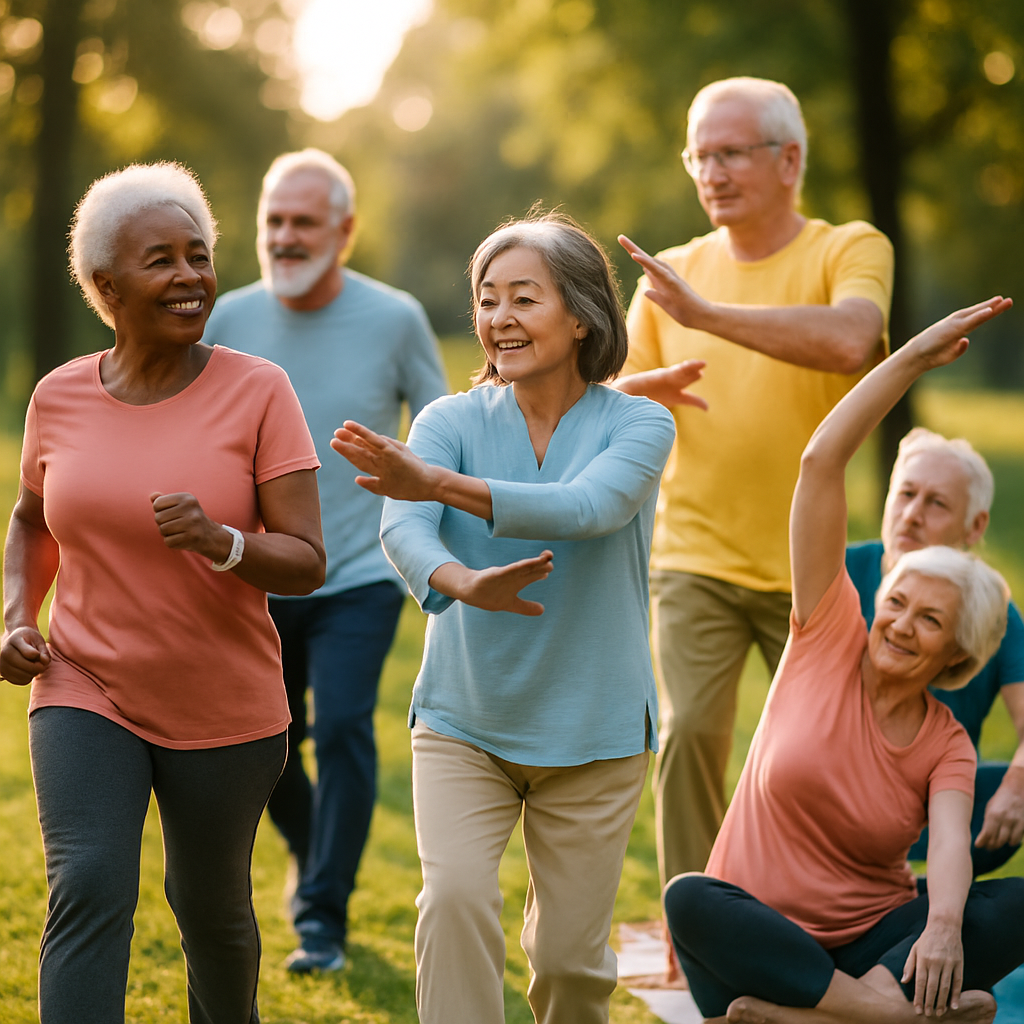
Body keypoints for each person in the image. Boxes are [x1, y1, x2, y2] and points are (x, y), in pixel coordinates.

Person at [331, 213, 679, 1024]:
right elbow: (402, 526)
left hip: (595, 733)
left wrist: (436, 485)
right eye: (488, 300)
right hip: (466, 721)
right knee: (452, 903)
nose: (500, 318)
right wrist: (462, 581)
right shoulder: (451, 422)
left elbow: (590, 506)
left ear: (584, 315)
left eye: (525, 298)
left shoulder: (638, 422)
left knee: (567, 965)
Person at [0, 163, 325, 1024]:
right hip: (84, 683)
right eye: (162, 261)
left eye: (199, 257)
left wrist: (223, 543)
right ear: (106, 285)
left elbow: (304, 560)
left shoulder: (259, 391)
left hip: (222, 699)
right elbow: (33, 521)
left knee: (212, 914)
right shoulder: (58, 395)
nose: (190, 277)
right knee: (90, 882)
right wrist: (13, 618)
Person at [664, 296, 1024, 1024]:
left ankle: (818, 1016)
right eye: (895, 603)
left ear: (956, 653)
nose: (898, 624)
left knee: (1001, 904)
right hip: (762, 944)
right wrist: (913, 359)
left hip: (870, 942)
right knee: (689, 897)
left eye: (928, 621)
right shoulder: (825, 638)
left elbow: (951, 845)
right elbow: (820, 461)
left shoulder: (946, 744)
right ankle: (885, 1016)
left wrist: (945, 927)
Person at [614, 75, 894, 892]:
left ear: (789, 159)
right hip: (694, 552)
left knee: (819, 758)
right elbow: (607, 396)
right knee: (691, 731)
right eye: (700, 155)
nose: (712, 171)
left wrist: (707, 317)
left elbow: (852, 340)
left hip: (812, 564)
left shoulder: (848, 247)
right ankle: (696, 922)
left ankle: (824, 913)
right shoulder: (670, 273)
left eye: (731, 151)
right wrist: (641, 388)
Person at [203, 148, 448, 973]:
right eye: (273, 220)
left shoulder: (396, 317)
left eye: (304, 221)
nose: (285, 236)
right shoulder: (225, 317)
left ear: (345, 230)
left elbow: (442, 429)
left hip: (359, 572)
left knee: (342, 727)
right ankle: (314, 860)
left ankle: (322, 918)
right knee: (267, 742)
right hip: (256, 569)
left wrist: (435, 525)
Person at [848, 429, 1024, 876]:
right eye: (905, 493)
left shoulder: (994, 611)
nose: (910, 515)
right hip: (837, 798)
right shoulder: (840, 574)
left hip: (938, 805)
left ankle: (929, 895)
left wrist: (1018, 786)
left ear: (976, 525)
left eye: (936, 503)